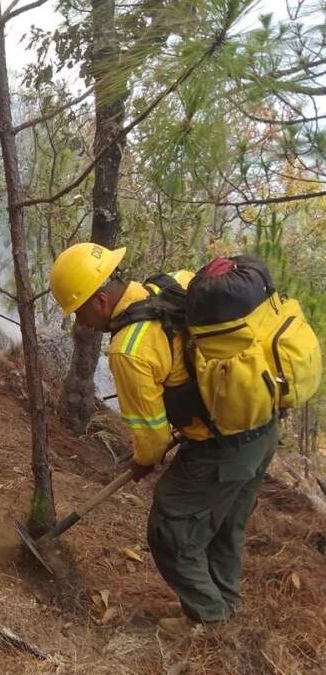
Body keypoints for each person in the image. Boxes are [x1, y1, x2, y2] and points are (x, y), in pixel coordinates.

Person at [49, 242, 278, 634]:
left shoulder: (129, 349)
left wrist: (142, 461)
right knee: (224, 525)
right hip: (263, 425)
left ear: (102, 299)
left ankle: (211, 622)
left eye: (81, 310)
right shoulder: (176, 283)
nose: (82, 324)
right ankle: (225, 608)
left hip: (222, 446)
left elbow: (152, 440)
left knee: (168, 528)